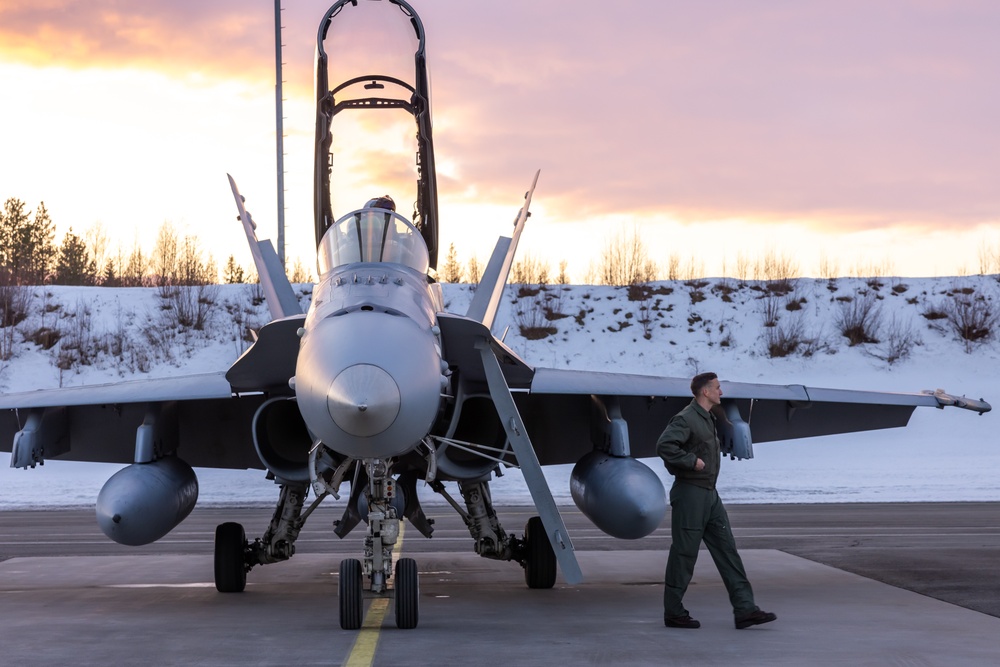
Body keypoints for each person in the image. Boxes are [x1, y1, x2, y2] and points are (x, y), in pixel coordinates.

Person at [656, 372, 777, 630]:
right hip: (690, 494)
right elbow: (665, 445)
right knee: (684, 554)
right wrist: (691, 461)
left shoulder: (708, 418)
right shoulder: (686, 418)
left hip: (710, 495)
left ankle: (745, 610)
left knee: (727, 550)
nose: (721, 392)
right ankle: (673, 612)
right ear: (705, 392)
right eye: (717, 388)